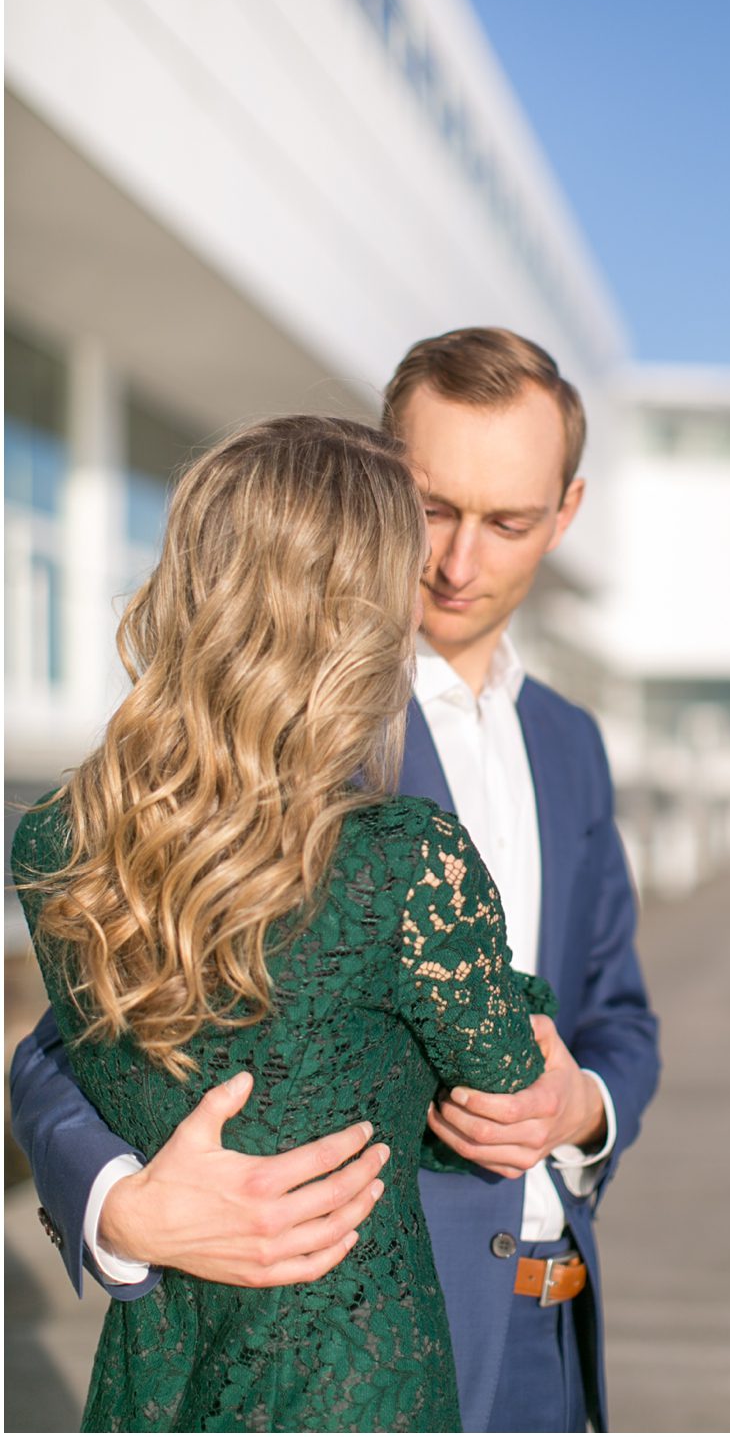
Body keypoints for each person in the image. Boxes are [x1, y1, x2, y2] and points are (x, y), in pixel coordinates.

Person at [11, 329, 661, 1431]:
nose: (456, 564)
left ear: (566, 511)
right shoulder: (282, 745)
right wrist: (122, 1207)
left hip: (553, 1330)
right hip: (357, 1335)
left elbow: (616, 1013)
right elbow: (63, 1044)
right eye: (432, 512)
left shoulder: (573, 743)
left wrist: (579, 1107)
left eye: (505, 522)